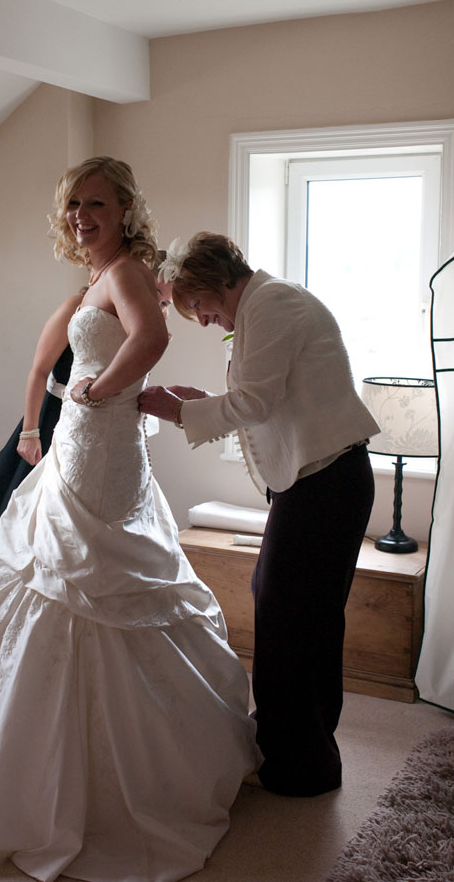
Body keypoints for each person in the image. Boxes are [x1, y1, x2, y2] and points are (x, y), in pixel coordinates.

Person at [0, 163, 259, 882]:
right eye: (72, 204)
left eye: (95, 203)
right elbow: (76, 359)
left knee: (85, 580)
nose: (80, 215)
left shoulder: (127, 271)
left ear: (125, 209)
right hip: (79, 444)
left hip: (97, 454)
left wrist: (100, 387)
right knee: (47, 575)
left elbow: (151, 337)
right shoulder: (99, 279)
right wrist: (65, 413)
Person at [139, 231, 379, 798]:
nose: (199, 319)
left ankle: (303, 765)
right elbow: (261, 401)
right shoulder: (257, 309)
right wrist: (197, 401)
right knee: (298, 618)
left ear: (212, 282)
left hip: (328, 485)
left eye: (195, 304)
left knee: (291, 623)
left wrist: (180, 412)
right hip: (314, 486)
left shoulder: (273, 305)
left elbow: (253, 403)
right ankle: (305, 749)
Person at [0, 261, 173, 552]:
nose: (158, 303)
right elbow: (39, 370)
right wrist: (30, 431)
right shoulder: (78, 308)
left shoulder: (145, 322)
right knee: (24, 513)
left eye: (166, 301)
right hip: (57, 417)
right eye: (155, 292)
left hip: (106, 432)